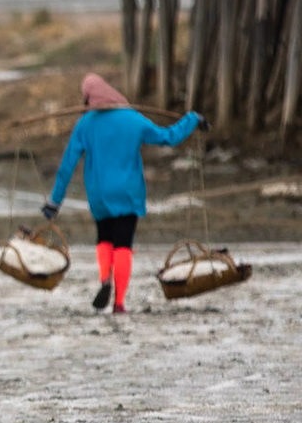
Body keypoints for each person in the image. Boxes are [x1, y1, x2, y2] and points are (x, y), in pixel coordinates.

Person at [42, 73, 206, 315]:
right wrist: (193, 119)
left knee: (104, 239)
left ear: (89, 98)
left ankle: (104, 281)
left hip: (98, 194)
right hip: (127, 193)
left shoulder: (85, 124)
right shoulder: (133, 119)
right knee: (123, 245)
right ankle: (119, 302)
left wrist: (54, 202)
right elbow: (168, 137)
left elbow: (67, 166)